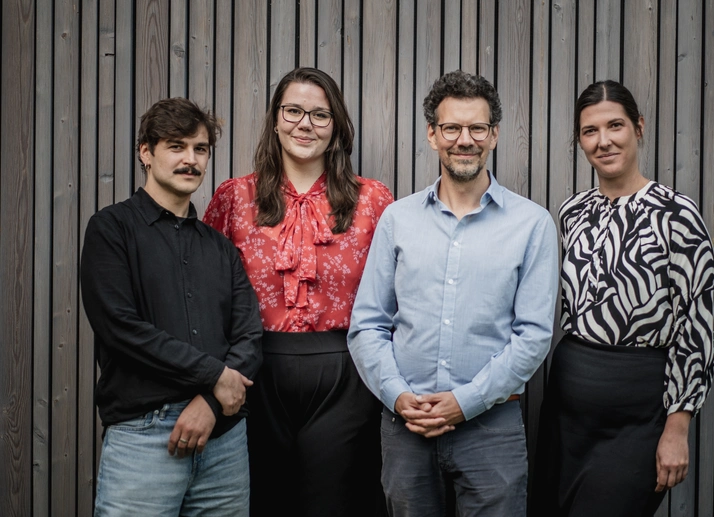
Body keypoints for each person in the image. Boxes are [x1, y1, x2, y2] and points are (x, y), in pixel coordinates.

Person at [347, 69, 559, 516]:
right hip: (405, 427)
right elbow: (367, 324)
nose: (465, 140)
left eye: (477, 128)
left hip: (492, 428)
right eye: (451, 128)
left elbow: (534, 336)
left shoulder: (532, 224)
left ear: (494, 134)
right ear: (432, 134)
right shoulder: (397, 220)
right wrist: (397, 396)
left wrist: (465, 403)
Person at [203, 67, 393, 517]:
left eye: (320, 115)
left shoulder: (373, 200)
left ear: (337, 126)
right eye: (293, 111)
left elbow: (398, 296)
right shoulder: (234, 197)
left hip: (346, 376)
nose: (305, 124)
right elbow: (206, 294)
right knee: (261, 502)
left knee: (335, 503)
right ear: (275, 119)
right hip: (254, 372)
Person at [539, 79, 714, 516]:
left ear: (638, 127)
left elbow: (700, 323)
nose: (603, 141)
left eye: (615, 126)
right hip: (567, 407)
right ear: (580, 140)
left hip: (639, 412)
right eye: (590, 131)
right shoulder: (571, 212)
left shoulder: (677, 213)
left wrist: (678, 427)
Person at [81, 97, 264, 516]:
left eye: (200, 149)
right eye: (176, 146)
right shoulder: (111, 229)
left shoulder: (220, 248)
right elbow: (120, 327)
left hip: (224, 441)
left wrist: (212, 405)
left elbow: (249, 335)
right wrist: (214, 376)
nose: (190, 159)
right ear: (145, 152)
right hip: (144, 438)